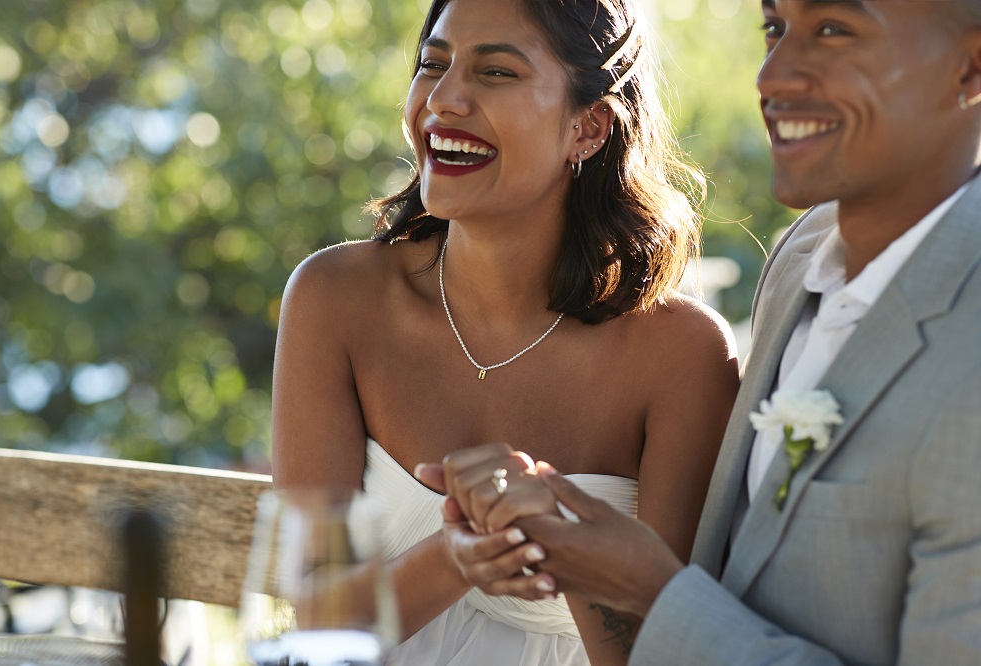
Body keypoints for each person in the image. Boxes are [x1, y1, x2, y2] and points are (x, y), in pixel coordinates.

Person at [419, 0, 981, 663]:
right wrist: (574, 546)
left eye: (834, 30)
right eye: (774, 29)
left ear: (970, 67)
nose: (772, 77)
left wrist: (654, 593)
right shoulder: (802, 258)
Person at [270, 0, 740, 663]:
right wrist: (461, 557)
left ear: (589, 127)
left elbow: (664, 656)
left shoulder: (685, 355)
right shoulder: (333, 298)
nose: (444, 99)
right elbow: (317, 623)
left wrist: (559, 544)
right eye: (433, 64)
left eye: (495, 73)